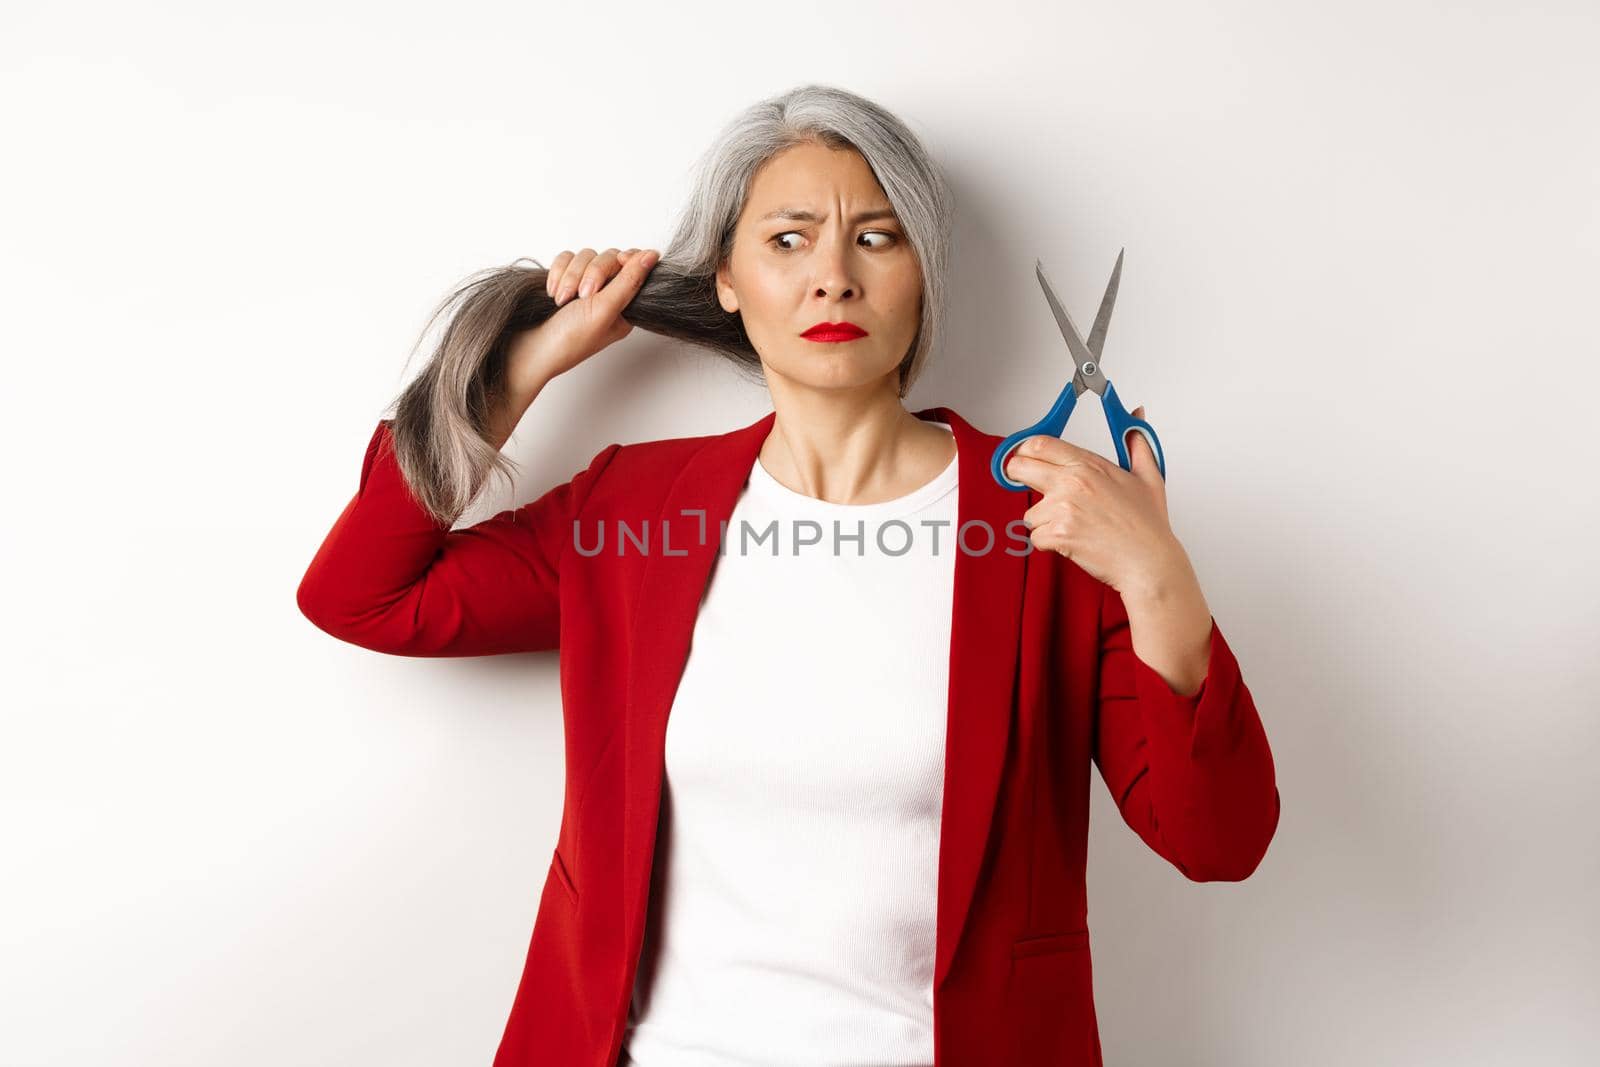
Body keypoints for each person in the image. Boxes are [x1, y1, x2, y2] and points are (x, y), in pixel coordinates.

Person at [296, 83, 1280, 1067]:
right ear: (725, 277)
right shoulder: (636, 509)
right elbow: (364, 595)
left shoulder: (1047, 519)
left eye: (877, 238)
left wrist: (1160, 582)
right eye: (788, 239)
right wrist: (515, 374)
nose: (833, 279)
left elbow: (1217, 840)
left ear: (923, 274)